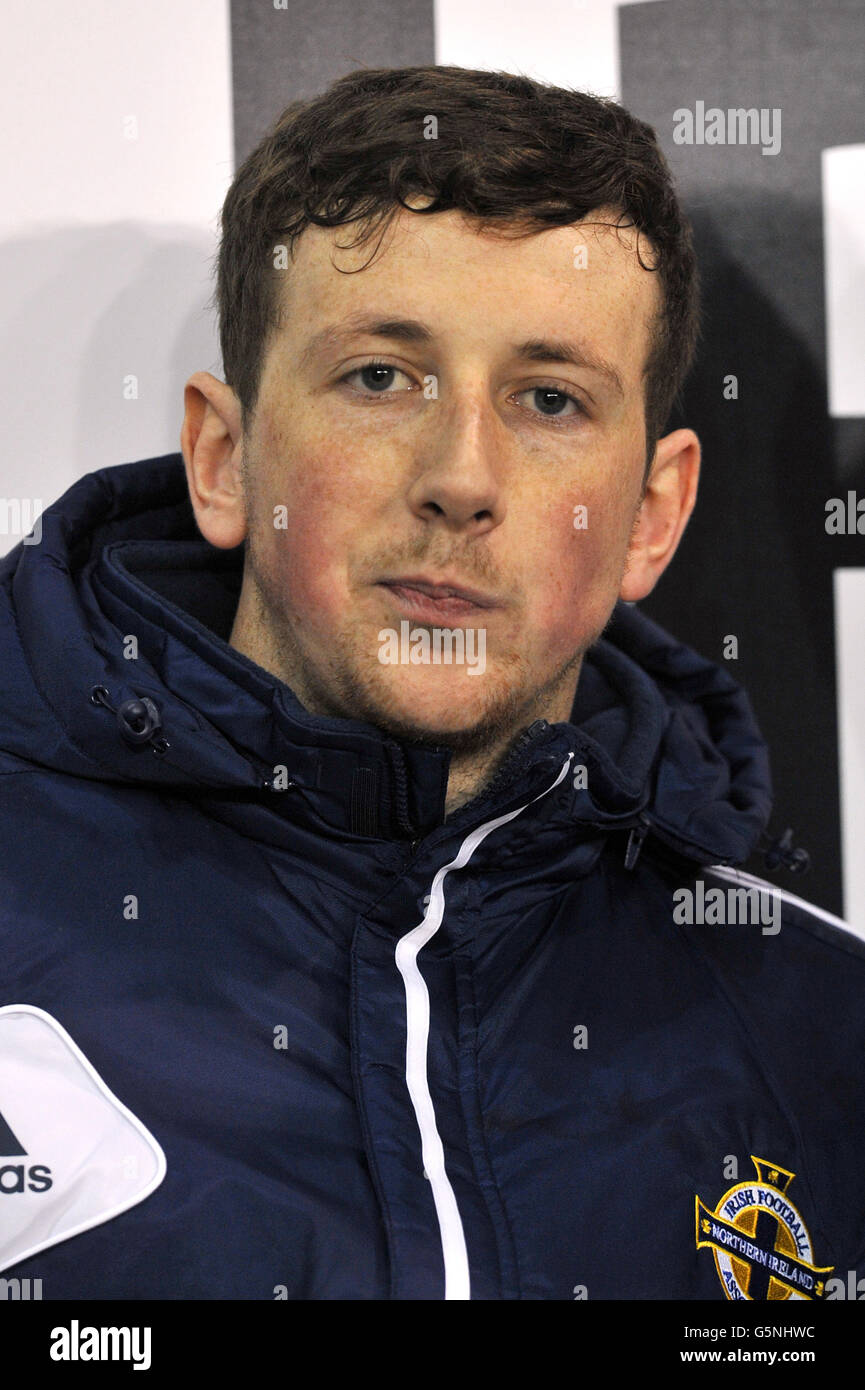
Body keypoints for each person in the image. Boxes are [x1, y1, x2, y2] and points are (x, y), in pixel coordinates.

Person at [1, 64, 862, 1303]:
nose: (462, 476)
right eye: (380, 377)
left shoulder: (826, 1032)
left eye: (549, 399)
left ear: (651, 515)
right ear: (225, 457)